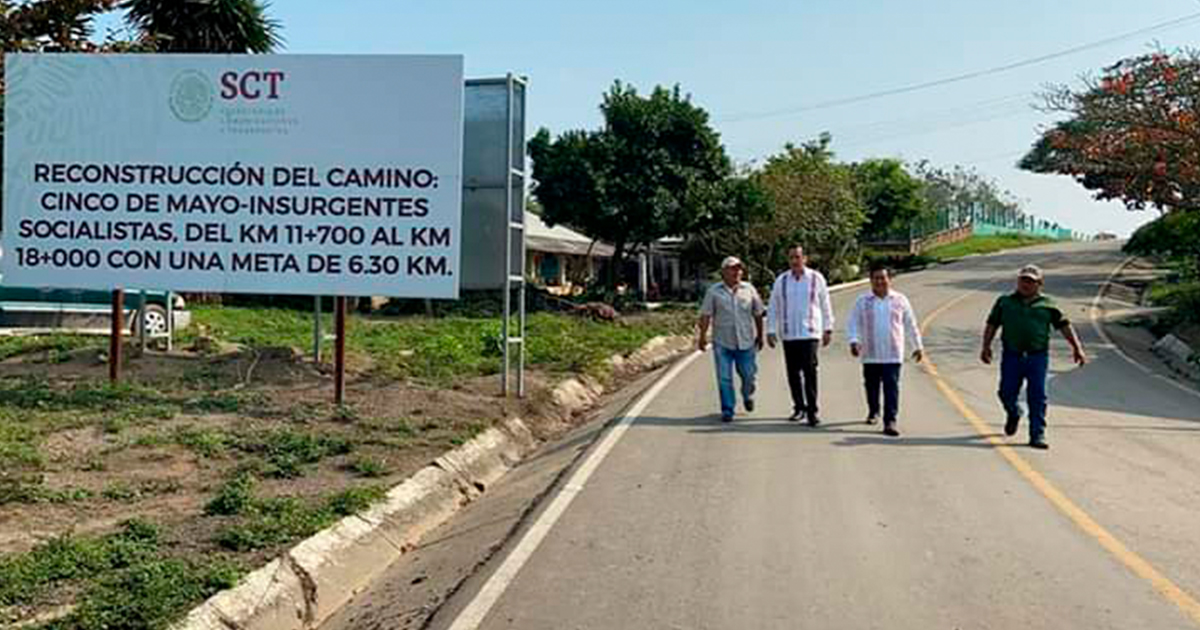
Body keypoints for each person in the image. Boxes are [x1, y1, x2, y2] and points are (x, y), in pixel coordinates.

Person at [980, 264, 1087, 450]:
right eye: (1023, 280)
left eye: (1030, 281)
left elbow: (1064, 326)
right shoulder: (1005, 302)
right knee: (1006, 392)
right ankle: (1013, 412)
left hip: (1037, 357)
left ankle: (1037, 434)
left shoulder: (1048, 305)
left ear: (1039, 284)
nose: (1025, 284)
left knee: (1037, 396)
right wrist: (986, 346)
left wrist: (1077, 348)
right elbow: (992, 324)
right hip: (1012, 355)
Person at [846, 266, 924, 437]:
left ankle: (890, 421)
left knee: (892, 387)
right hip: (870, 352)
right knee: (871, 386)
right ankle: (873, 411)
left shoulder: (900, 300)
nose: (880, 281)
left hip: (893, 352)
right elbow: (853, 323)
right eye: (876, 278)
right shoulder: (863, 301)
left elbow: (910, 324)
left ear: (890, 279)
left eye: (883, 278)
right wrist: (854, 341)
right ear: (871, 280)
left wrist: (917, 346)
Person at [767, 245, 834, 426]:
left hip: (810, 332)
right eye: (791, 258)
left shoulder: (815, 278)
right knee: (793, 374)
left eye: (798, 257)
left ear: (805, 258)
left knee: (810, 372)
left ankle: (812, 411)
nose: (795, 261)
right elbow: (773, 306)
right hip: (789, 335)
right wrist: (771, 330)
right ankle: (798, 407)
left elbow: (825, 304)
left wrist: (828, 328)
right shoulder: (781, 281)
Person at [698, 256, 766, 423]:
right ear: (724, 272)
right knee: (724, 378)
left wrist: (760, 335)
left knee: (749, 374)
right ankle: (728, 409)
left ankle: (747, 394)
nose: (737, 272)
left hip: (746, 342)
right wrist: (702, 337)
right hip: (723, 342)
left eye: (739, 269)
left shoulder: (749, 289)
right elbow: (706, 315)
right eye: (733, 268)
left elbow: (758, 313)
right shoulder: (714, 291)